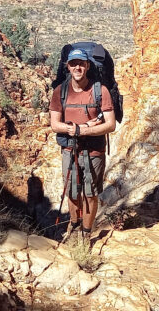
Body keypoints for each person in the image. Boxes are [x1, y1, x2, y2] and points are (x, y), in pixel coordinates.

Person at [49, 48, 116, 242]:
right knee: (72, 190)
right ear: (67, 67)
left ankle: (86, 234)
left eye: (81, 63)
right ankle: (74, 224)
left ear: (87, 66)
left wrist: (82, 131)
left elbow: (110, 125)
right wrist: (78, 129)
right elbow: (55, 124)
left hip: (94, 150)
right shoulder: (60, 91)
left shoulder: (100, 91)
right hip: (70, 149)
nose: (77, 67)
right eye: (73, 63)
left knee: (90, 193)